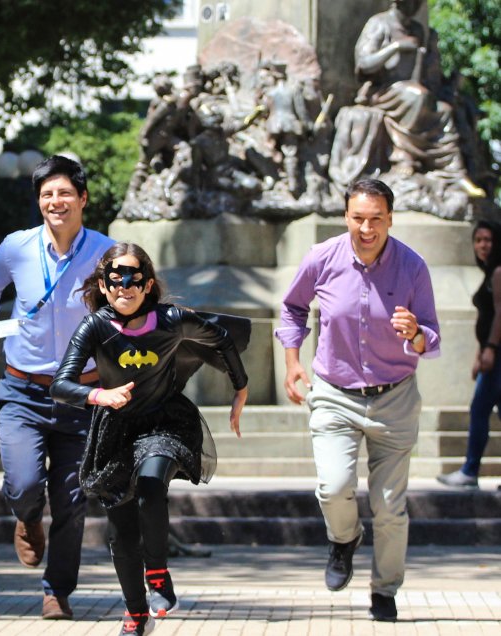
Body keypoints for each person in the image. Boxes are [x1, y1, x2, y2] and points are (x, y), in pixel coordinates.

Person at [51, 243, 248, 635]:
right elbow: (61, 384)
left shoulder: (172, 320)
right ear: (104, 286)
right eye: (115, 279)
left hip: (165, 423)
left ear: (148, 285)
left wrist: (240, 389)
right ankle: (136, 611)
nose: (124, 287)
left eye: (134, 279)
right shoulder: (95, 326)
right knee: (122, 533)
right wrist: (99, 395)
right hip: (116, 432)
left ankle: (158, 573)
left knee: (151, 484)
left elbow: (223, 339)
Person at [276, 178, 440, 622]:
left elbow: (431, 335)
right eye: (358, 218)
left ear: (390, 219)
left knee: (389, 507)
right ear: (346, 216)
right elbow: (293, 308)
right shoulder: (322, 257)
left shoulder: (412, 266)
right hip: (334, 392)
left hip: (395, 397)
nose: (367, 229)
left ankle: (385, 590)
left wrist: (416, 334)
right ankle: (344, 538)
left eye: (376, 219)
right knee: (333, 487)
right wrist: (292, 362)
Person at [0, 155, 115, 619]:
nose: (56, 201)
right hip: (23, 391)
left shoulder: (107, 253)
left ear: (83, 199)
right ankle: (28, 517)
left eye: (65, 193)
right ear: (38, 202)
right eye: (47, 194)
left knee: (72, 501)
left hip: (82, 396)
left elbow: (132, 304)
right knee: (24, 484)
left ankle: (57, 592)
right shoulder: (17, 247)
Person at [350, 0, 482, 195]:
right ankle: (402, 155)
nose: (417, 6)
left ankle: (455, 172)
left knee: (444, 110)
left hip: (413, 91)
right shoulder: (380, 23)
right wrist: (395, 47)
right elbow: (363, 64)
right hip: (383, 91)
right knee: (417, 96)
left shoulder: (418, 29)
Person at [438, 221, 500, 489]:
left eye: (488, 239)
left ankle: (470, 470)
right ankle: (470, 470)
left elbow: (500, 314)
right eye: (478, 240)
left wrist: (491, 349)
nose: (483, 245)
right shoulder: (489, 273)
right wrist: (480, 352)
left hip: (498, 355)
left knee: (479, 409)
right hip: (492, 352)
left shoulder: (498, 272)